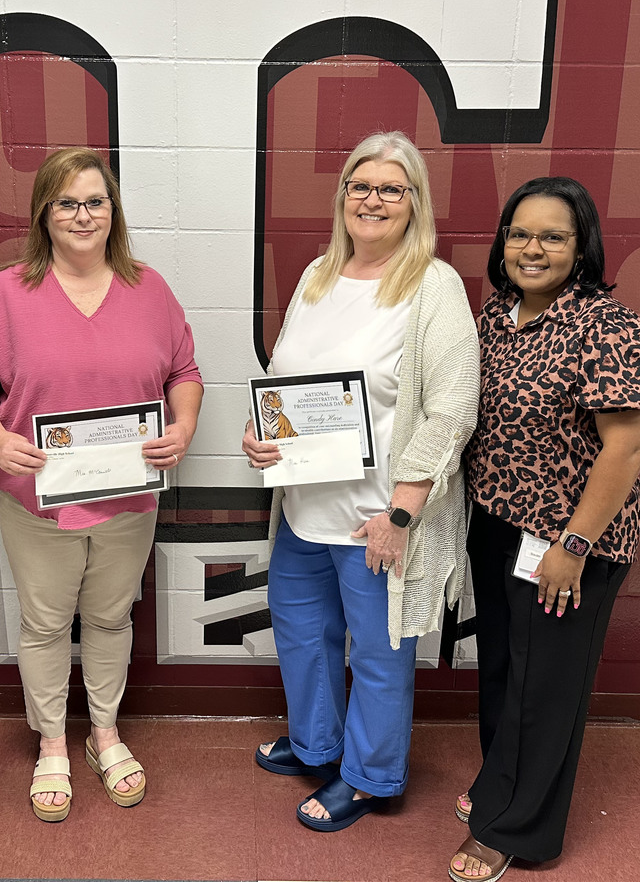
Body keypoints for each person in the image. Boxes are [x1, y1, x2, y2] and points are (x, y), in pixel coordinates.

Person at [0, 146, 202, 822]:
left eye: (96, 201)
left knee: (110, 618)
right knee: (43, 622)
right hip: (37, 499)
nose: (83, 215)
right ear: (45, 213)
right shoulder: (8, 293)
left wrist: (182, 427)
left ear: (113, 210)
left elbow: (184, 372)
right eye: (67, 202)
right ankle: (52, 743)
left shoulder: (149, 289)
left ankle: (105, 734)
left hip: (129, 498)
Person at [243, 131, 480, 832]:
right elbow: (287, 379)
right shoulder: (318, 275)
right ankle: (317, 744)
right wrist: (262, 432)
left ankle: (371, 778)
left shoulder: (433, 287)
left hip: (377, 516)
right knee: (302, 634)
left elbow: (452, 410)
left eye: (390, 189)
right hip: (303, 508)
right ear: (343, 194)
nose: (372, 200)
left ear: (415, 203)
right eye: (360, 185)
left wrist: (402, 513)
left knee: (378, 654)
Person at [451, 177, 640, 882]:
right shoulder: (496, 317)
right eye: (519, 233)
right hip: (498, 525)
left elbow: (628, 446)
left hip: (571, 539)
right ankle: (499, 786)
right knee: (503, 669)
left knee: (544, 686)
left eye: (552, 236)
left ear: (582, 246)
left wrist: (573, 546)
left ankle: (516, 829)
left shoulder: (606, 326)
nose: (531, 248)